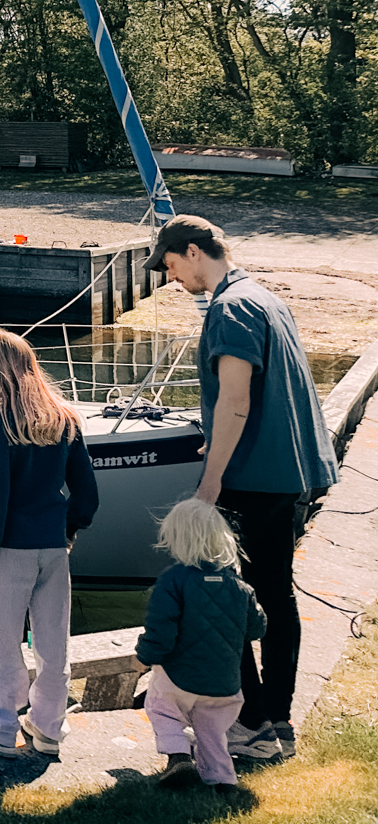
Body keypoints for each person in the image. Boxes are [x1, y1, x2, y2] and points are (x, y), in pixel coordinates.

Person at [154, 213, 337, 761]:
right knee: (276, 598)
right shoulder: (263, 296)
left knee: (221, 597)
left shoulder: (229, 307)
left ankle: (252, 724)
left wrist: (210, 481)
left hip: (253, 480)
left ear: (191, 251)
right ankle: (276, 722)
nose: (171, 279)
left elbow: (236, 399)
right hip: (288, 472)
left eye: (169, 265)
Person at [0, 329, 98, 759]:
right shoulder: (64, 418)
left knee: (2, 636)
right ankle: (49, 726)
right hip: (53, 546)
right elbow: (87, 494)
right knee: (53, 639)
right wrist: (69, 531)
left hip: (10, 549)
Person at [131, 498, 268, 792]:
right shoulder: (240, 586)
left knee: (161, 707)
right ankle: (223, 779)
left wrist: (144, 656)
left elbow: (161, 634)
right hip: (225, 683)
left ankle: (179, 757)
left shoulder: (173, 582)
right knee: (212, 731)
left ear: (177, 539)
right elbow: (257, 628)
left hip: (181, 675)